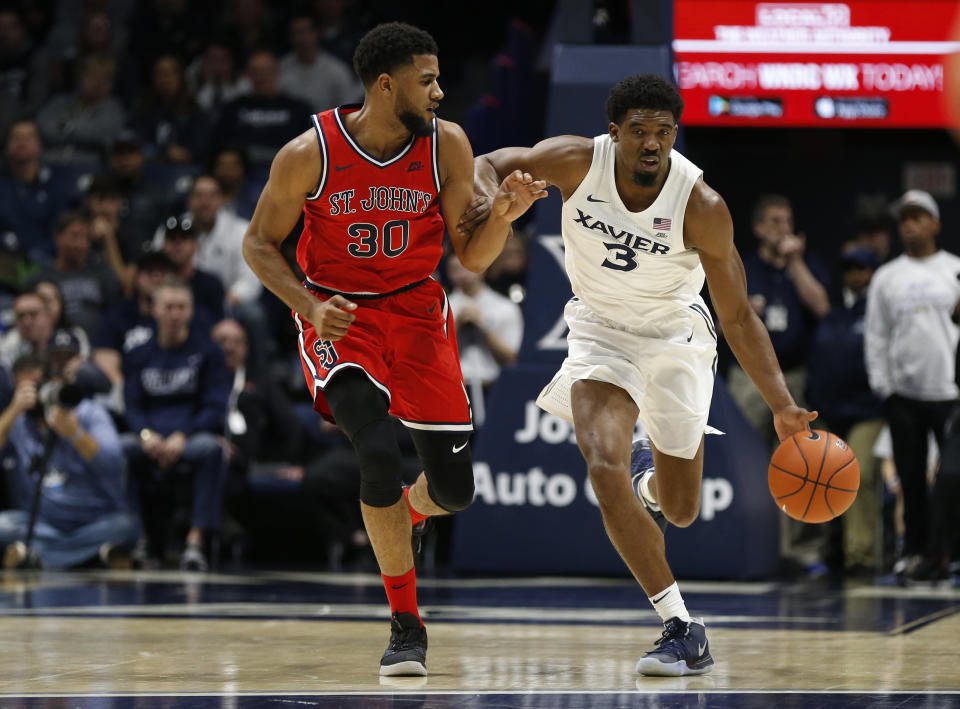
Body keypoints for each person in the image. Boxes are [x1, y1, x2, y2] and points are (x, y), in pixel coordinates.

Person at [470, 74, 815, 676]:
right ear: (615, 133)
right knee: (602, 466)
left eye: (663, 131)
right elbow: (488, 161)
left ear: (674, 134)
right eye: (639, 132)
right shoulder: (576, 162)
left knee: (680, 509)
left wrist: (781, 403)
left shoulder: (700, 204)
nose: (652, 143)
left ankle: (650, 480)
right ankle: (681, 627)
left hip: (675, 338)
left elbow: (736, 315)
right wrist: (492, 202)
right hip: (601, 331)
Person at [242, 22, 545, 676]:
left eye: (439, 79)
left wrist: (503, 216)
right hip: (340, 315)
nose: (438, 92)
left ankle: (408, 513)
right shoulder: (309, 152)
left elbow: (472, 256)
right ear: (387, 85)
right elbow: (258, 244)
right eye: (427, 80)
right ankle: (406, 623)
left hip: (417, 311)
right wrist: (310, 307)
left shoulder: (448, 146)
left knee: (456, 491)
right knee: (375, 451)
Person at [864, 189, 960, 582]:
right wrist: (884, 387)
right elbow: (877, 336)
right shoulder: (887, 277)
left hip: (952, 394)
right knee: (912, 480)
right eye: (904, 218)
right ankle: (918, 552)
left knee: (952, 480)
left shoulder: (955, 268)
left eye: (918, 217)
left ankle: (950, 555)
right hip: (904, 396)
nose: (909, 225)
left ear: (935, 223)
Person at [121, 280, 231, 571]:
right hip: (150, 437)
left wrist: (183, 435)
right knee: (120, 449)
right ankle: (137, 537)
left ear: (191, 311)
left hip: (190, 436)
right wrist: (146, 436)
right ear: (155, 310)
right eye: (168, 307)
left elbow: (215, 407)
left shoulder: (209, 353)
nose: (175, 314)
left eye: (181, 307)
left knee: (211, 449)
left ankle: (196, 542)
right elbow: (132, 405)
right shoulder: (138, 355)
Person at [0, 351, 139, 570]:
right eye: (26, 388)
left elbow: (112, 463)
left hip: (94, 521)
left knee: (128, 526)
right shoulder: (18, 421)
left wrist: (75, 433)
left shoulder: (89, 413)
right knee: (3, 526)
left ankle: (36, 556)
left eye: (38, 385)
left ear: (54, 382)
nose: (34, 394)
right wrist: (13, 409)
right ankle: (93, 558)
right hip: (40, 524)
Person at [725, 194, 830, 450]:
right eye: (775, 222)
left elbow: (822, 307)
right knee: (746, 452)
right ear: (758, 228)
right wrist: (742, 311)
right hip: (750, 378)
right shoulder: (744, 269)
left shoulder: (806, 266)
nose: (783, 229)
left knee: (797, 454)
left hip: (795, 376)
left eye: (788, 222)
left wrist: (795, 261)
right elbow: (719, 325)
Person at [444, 252, 523, 426]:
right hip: (453, 392)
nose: (464, 275)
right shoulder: (441, 309)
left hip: (494, 389)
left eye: (468, 268)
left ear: (482, 268)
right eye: (456, 269)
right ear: (449, 274)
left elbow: (511, 358)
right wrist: (455, 327)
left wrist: (484, 327)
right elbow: (435, 360)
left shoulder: (505, 307)